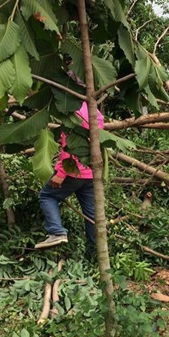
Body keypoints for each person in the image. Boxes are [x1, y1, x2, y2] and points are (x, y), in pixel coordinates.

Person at [35, 102, 105, 250]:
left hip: (73, 170)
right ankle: (95, 253)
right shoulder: (95, 112)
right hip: (90, 172)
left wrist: (61, 172)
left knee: (47, 196)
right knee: (92, 215)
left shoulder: (74, 111)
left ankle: (57, 231)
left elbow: (71, 145)